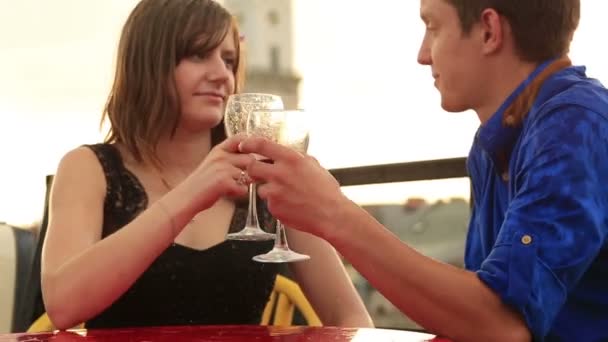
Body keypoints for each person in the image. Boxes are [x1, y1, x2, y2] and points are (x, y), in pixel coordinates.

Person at [238, 0, 608, 340]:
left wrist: (334, 214)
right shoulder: (497, 141)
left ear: (489, 31)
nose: (422, 54)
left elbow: (502, 325)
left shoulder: (574, 125)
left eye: (433, 27)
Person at [41, 0, 372, 330]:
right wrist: (193, 192)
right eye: (198, 55)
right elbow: (63, 306)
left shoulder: (268, 175)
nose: (221, 76)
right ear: (148, 62)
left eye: (229, 61)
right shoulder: (88, 168)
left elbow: (352, 318)